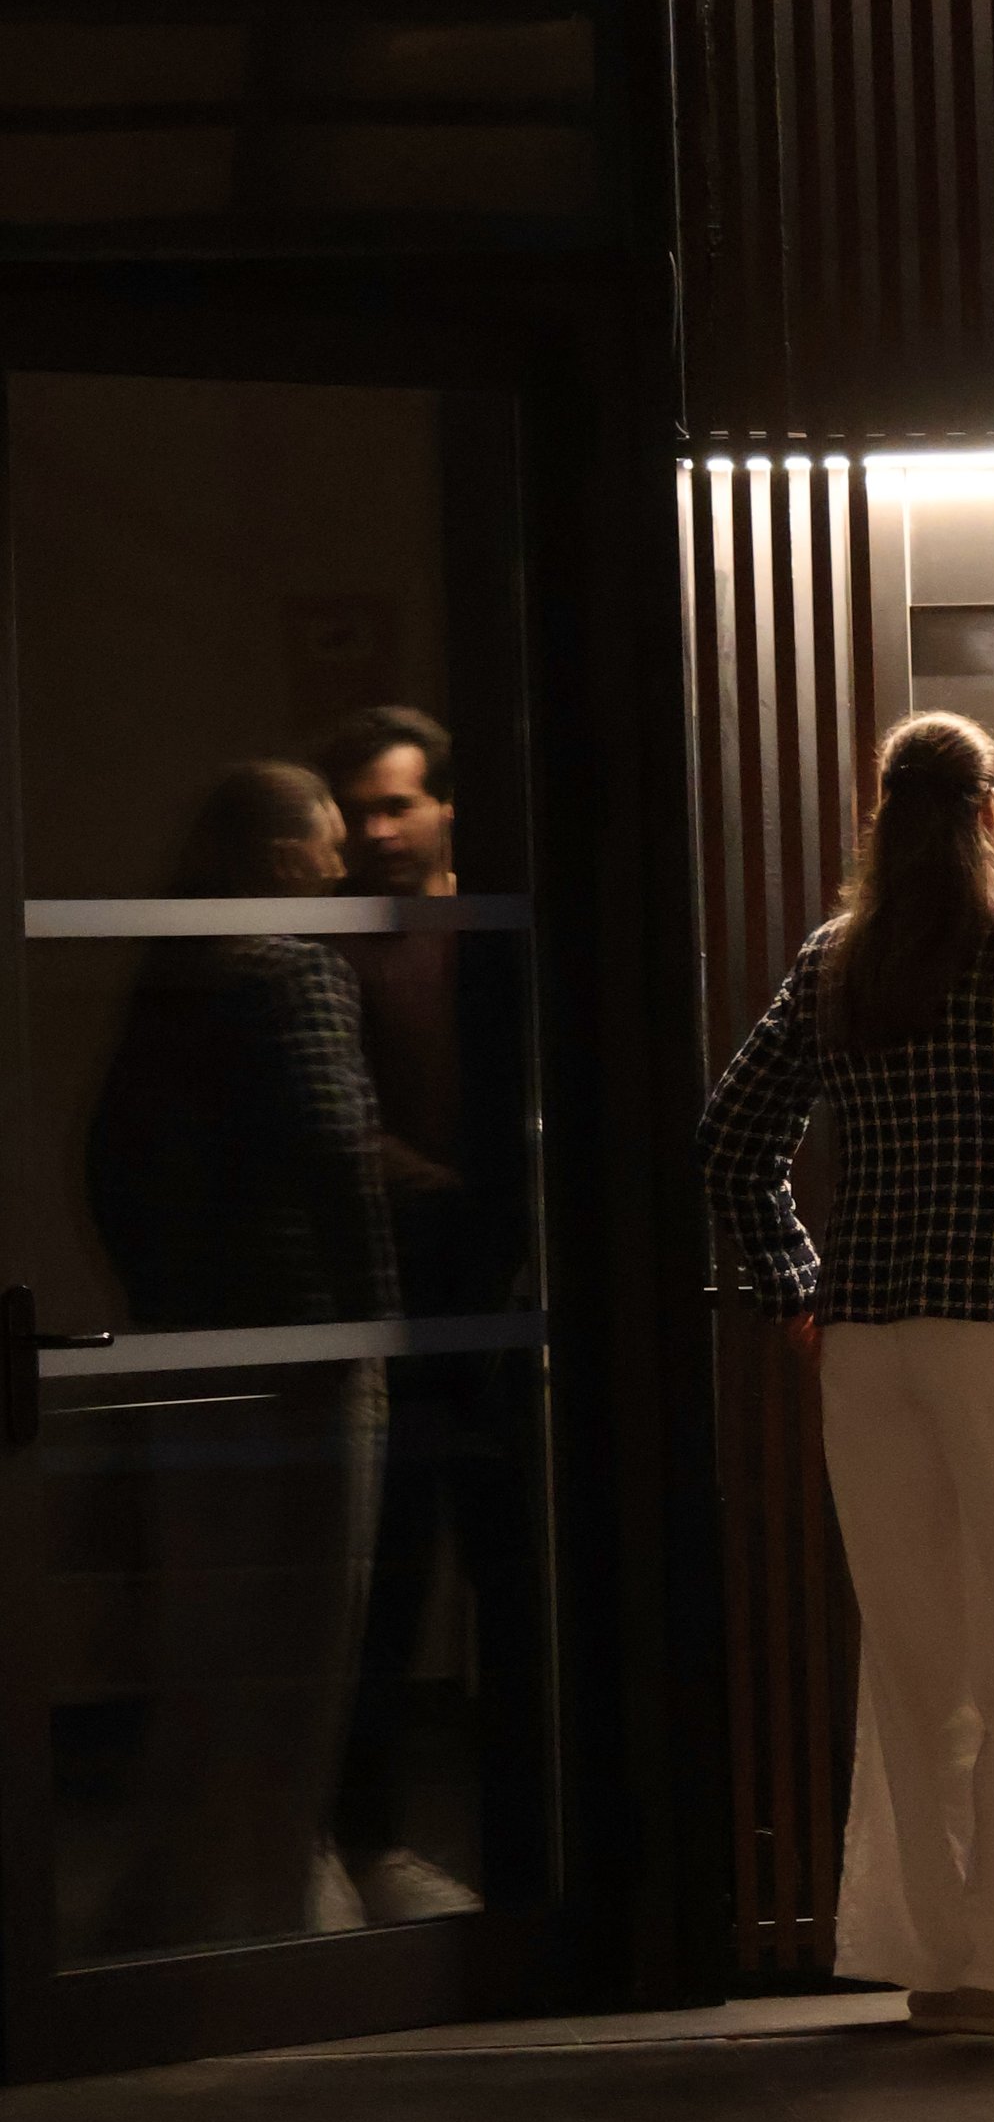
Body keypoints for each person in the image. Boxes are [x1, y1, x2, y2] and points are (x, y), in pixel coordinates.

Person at [699, 711, 994, 2044]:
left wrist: (800, 1286)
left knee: (916, 1659)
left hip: (869, 1346)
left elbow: (731, 1140)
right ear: (992, 811)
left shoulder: (834, 963)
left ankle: (939, 1957)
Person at [85, 760, 396, 1948]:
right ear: (282, 860)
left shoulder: (174, 973)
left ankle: (183, 1899)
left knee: (208, 1641)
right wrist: (375, 1322)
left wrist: (161, 1300)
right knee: (303, 1643)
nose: (341, 863)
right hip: (301, 1347)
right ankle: (275, 1906)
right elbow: (334, 1148)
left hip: (191, 1342)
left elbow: (107, 1158)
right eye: (326, 845)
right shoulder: (294, 965)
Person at [312, 702, 537, 1930]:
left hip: (496, 1294)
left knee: (515, 1578)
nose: (377, 831)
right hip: (399, 1292)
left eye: (397, 804)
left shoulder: (492, 935)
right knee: (387, 1584)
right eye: (356, 811)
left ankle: (521, 1848)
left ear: (448, 807)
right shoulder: (340, 948)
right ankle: (371, 1840)